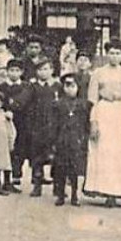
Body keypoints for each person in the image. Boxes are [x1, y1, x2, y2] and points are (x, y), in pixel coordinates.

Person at [84, 42, 121, 210]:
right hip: (104, 113)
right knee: (106, 153)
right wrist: (94, 123)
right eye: (111, 52)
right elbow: (93, 100)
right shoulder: (98, 73)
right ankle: (109, 194)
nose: (114, 56)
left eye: (118, 53)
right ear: (106, 54)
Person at [50, 73, 91, 207]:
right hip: (62, 140)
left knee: (75, 170)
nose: (70, 89)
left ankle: (75, 195)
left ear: (78, 87)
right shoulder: (58, 104)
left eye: (73, 86)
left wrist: (84, 139)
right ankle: (60, 195)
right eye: (67, 86)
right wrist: (54, 141)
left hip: (77, 140)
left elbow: (86, 124)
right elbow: (54, 124)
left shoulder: (84, 104)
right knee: (60, 169)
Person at [0, 59, 33, 192]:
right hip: (5, 122)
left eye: (17, 70)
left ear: (22, 72)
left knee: (19, 149)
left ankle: (14, 177)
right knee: (5, 150)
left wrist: (12, 105)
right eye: (11, 70)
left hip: (22, 123)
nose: (14, 73)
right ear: (6, 71)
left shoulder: (26, 86)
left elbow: (26, 102)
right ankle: (4, 180)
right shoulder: (1, 87)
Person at [24, 58, 60, 197]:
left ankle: (58, 187)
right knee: (37, 157)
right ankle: (37, 186)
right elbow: (26, 104)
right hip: (38, 127)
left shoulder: (57, 86)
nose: (43, 72)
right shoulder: (33, 87)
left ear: (52, 70)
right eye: (40, 70)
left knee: (56, 157)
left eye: (46, 69)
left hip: (54, 126)